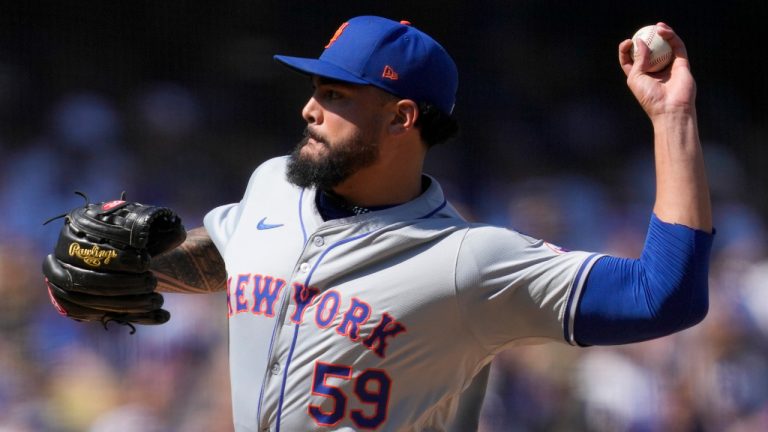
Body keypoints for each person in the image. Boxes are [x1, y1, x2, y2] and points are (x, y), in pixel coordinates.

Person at [95, 16, 715, 431]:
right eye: (316, 87)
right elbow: (233, 260)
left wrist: (672, 119)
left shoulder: (466, 262)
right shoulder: (274, 185)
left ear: (402, 118)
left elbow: (664, 295)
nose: (310, 108)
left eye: (336, 95)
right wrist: (119, 265)